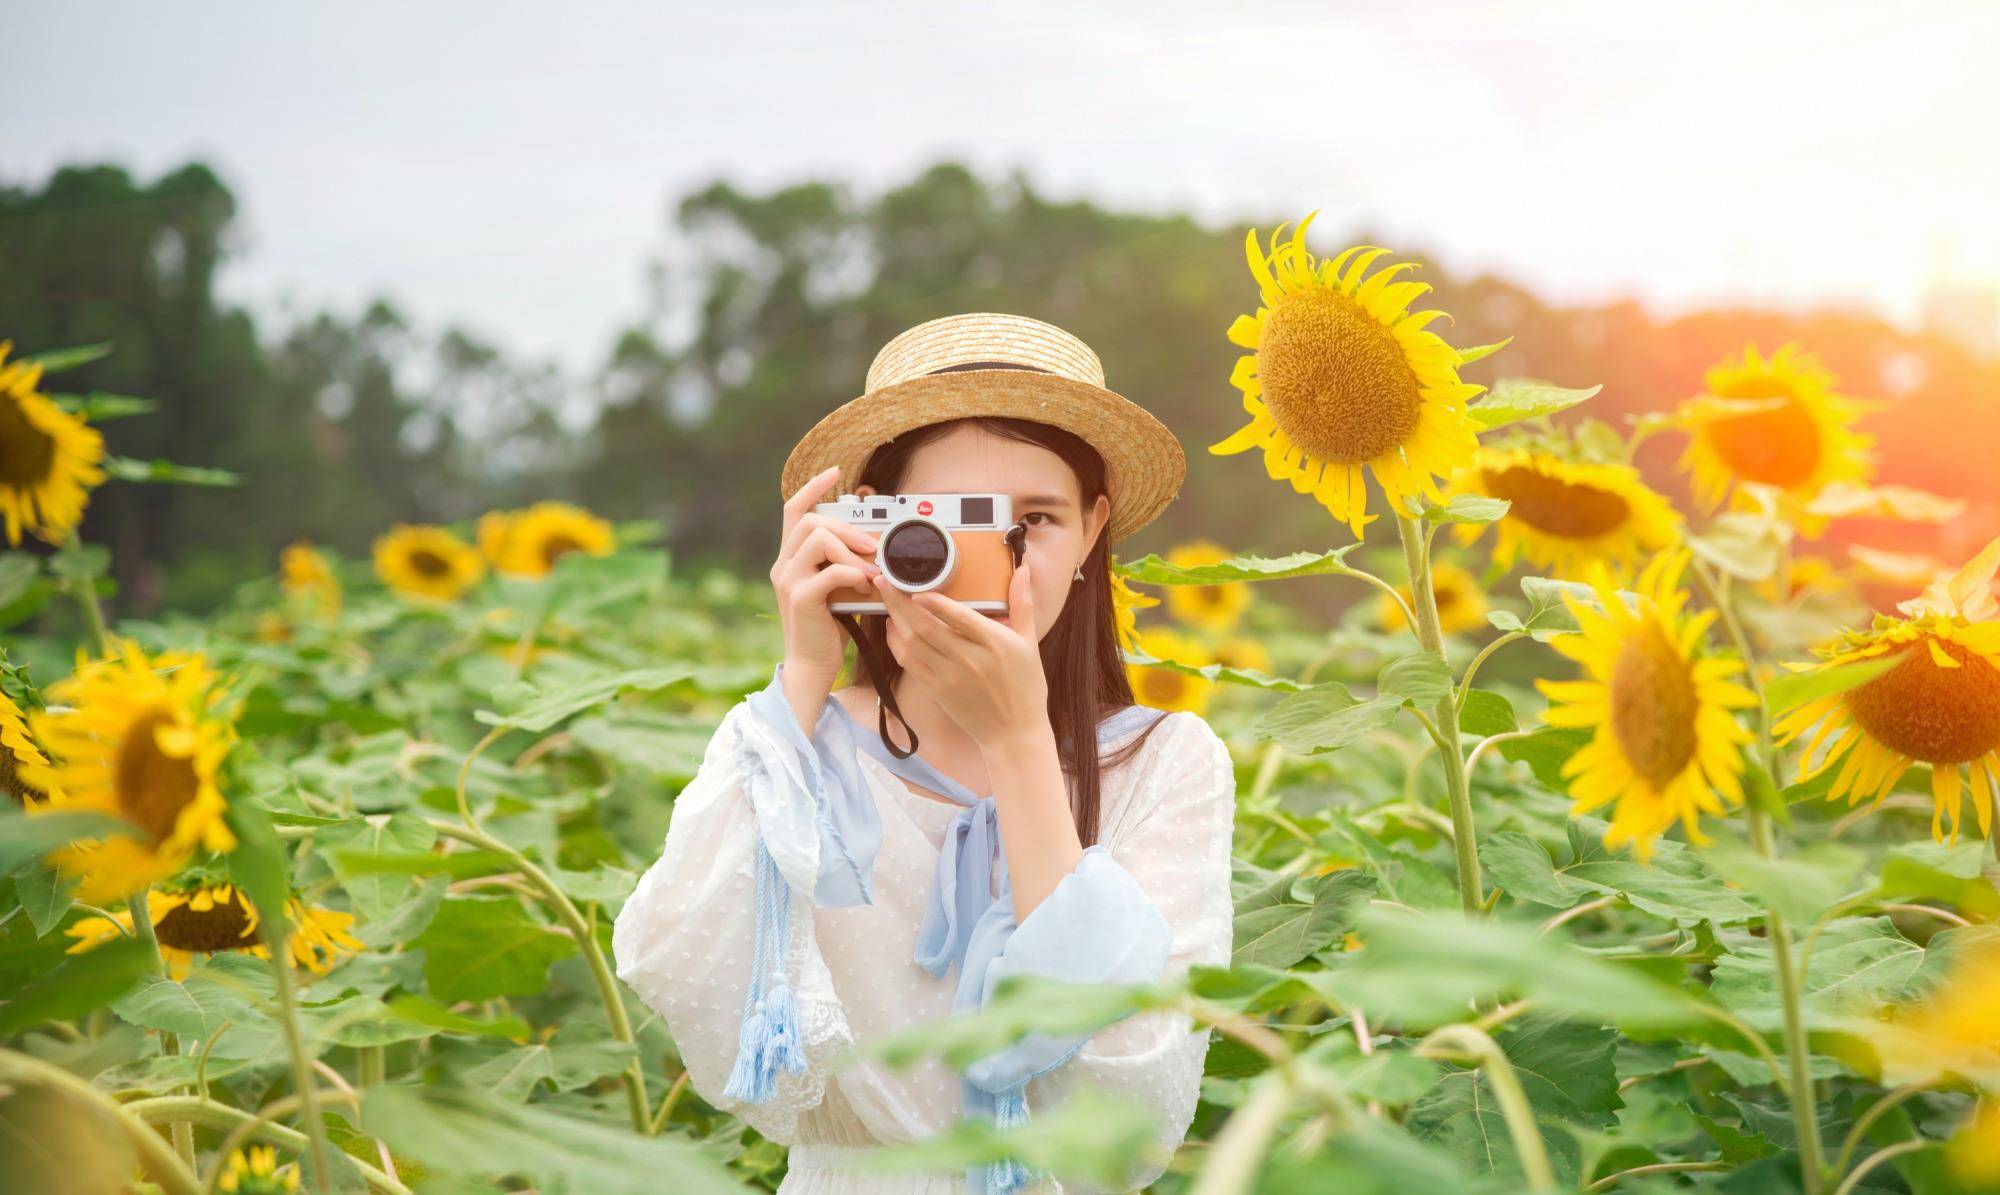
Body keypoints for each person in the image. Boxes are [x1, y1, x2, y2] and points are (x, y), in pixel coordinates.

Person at [613, 312, 1238, 1194]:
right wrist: (805, 673)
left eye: (1033, 521)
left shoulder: (1163, 762)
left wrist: (1019, 741)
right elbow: (685, 974)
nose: (993, 564)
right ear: (868, 522)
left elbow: (1133, 1093)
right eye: (946, 523)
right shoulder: (789, 749)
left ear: (1093, 531)